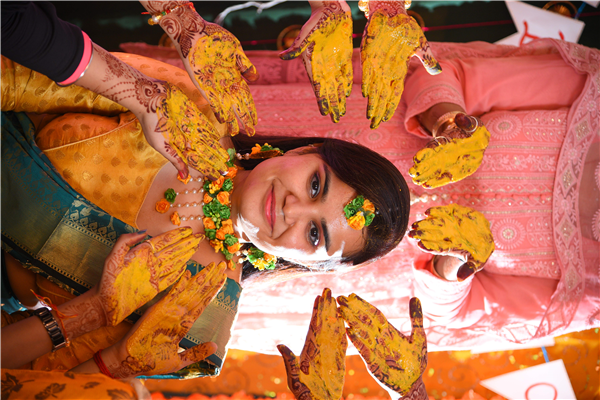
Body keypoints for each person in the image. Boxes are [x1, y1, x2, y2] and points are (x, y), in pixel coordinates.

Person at [0, 52, 410, 380]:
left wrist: (92, 311)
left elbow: (36, 382)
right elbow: (30, 76)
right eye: (316, 185)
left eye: (315, 234)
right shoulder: (190, 114)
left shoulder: (203, 311)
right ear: (302, 152)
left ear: (303, 264)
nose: (293, 209)